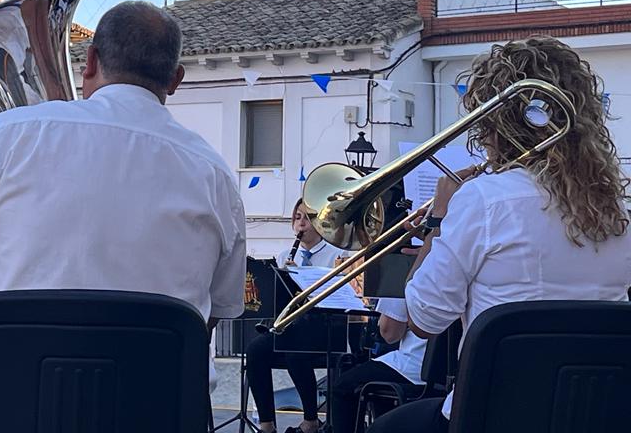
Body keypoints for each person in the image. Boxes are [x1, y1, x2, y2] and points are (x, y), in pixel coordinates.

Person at [0, 0, 247, 387]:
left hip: (16, 397)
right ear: (175, 79)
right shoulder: (217, 176)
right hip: (158, 403)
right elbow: (209, 317)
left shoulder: (7, 134)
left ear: (91, 61)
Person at [368, 37, 631, 433]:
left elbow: (424, 319)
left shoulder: (482, 199)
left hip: (492, 414)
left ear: (496, 122)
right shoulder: (617, 212)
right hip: (593, 416)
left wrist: (438, 220)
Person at [246, 198, 348, 433]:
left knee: (294, 348)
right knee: (255, 350)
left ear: (320, 223)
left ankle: (310, 420)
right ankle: (266, 424)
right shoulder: (284, 256)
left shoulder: (337, 255)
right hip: (293, 328)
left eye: (308, 218)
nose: (301, 223)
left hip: (325, 328)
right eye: (297, 217)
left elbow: (339, 298)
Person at [328, 297, 426, 433]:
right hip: (447, 371)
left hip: (414, 366)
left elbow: (389, 334)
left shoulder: (400, 283)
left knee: (343, 387)